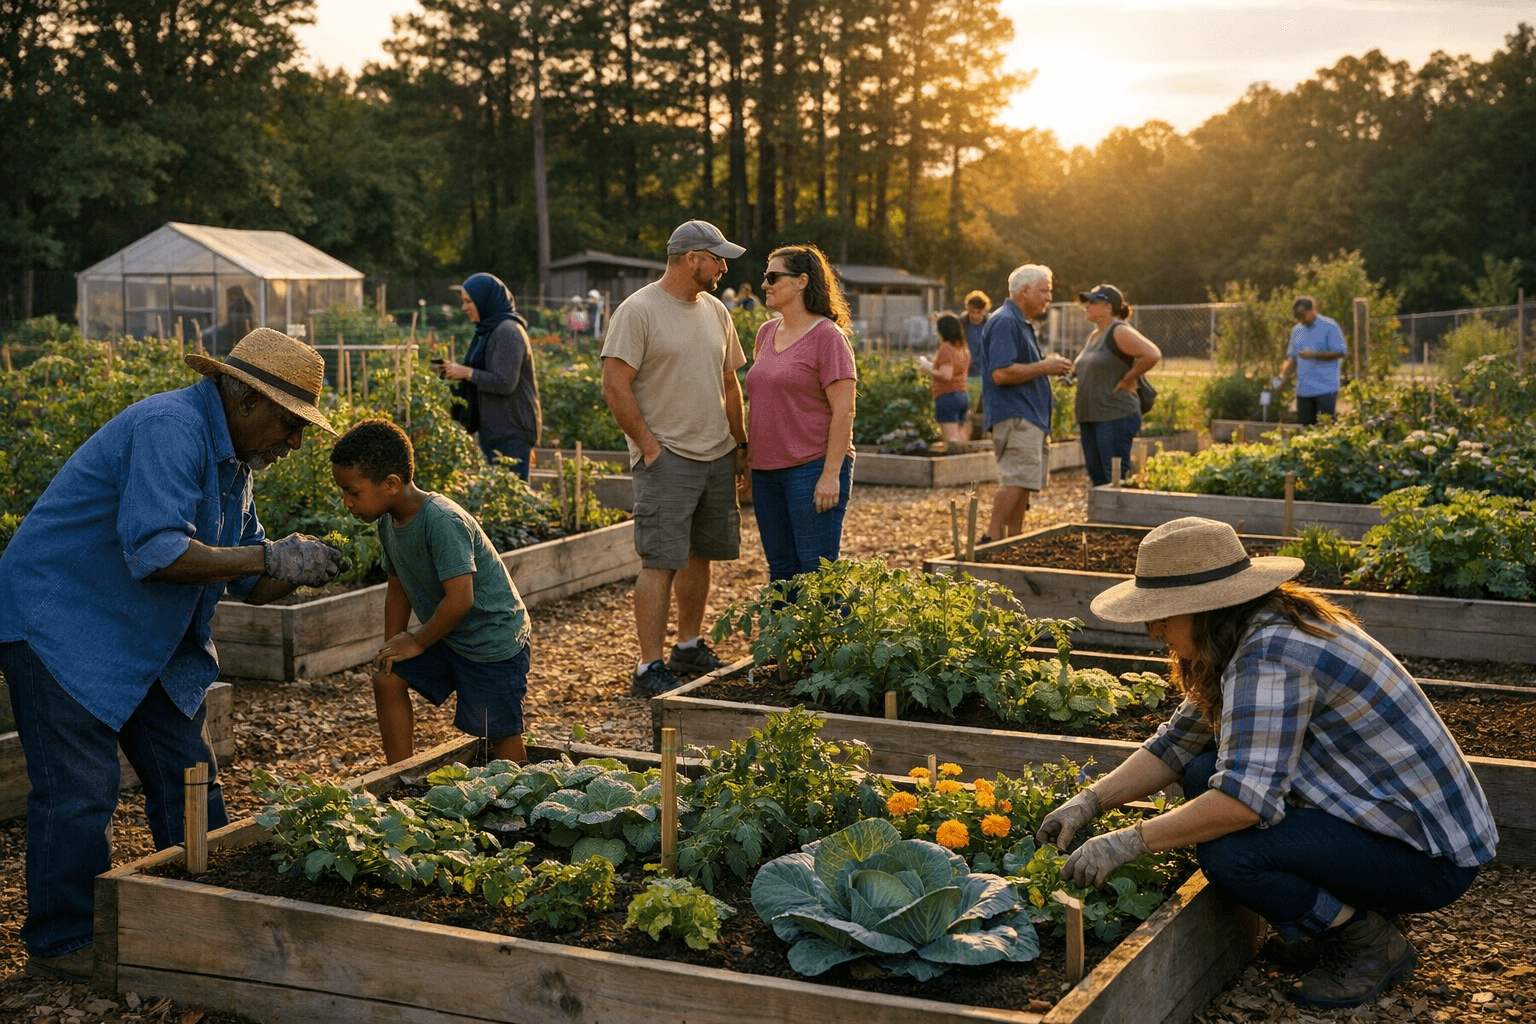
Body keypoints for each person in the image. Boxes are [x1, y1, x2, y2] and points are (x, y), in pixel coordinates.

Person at [1036, 517, 1497, 1010]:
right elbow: (1176, 746)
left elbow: (1242, 804)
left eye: (1163, 616)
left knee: (1230, 856)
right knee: (1200, 771)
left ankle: (1368, 943)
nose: (1154, 631)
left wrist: (1130, 841)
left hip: (1428, 858)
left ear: (1205, 607)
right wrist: (1089, 802)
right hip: (1393, 821)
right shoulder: (1251, 629)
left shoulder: (1268, 655)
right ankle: (1347, 911)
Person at [0, 327, 345, 981]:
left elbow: (248, 579)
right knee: (79, 791)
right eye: (289, 422)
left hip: (136, 637)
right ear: (244, 399)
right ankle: (64, 941)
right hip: (62, 620)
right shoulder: (171, 427)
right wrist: (268, 555)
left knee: (187, 771)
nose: (294, 441)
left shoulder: (233, 465)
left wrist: (300, 564)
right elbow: (159, 553)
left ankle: (204, 903)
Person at [600, 219, 748, 696]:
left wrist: (739, 444)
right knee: (660, 560)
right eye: (717, 258)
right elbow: (614, 383)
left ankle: (687, 645)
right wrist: (648, 446)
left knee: (700, 556)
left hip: (717, 455)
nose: (723, 267)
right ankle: (649, 666)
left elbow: (730, 382)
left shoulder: (717, 311)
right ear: (692, 259)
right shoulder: (639, 310)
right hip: (668, 457)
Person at [331, 419, 532, 766]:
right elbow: (398, 590)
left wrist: (418, 641)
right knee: (387, 678)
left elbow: (461, 599)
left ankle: (522, 800)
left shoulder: (441, 521)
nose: (347, 502)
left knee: (499, 733)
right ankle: (399, 777)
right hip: (449, 633)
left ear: (391, 484)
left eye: (353, 491)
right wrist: (393, 645)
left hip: (492, 640)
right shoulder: (388, 521)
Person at [745, 244, 858, 582]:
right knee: (781, 572)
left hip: (810, 468)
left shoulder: (827, 337)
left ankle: (832, 636)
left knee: (817, 572)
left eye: (772, 277)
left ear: (801, 281)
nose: (765, 284)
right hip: (765, 471)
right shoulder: (766, 333)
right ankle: (785, 637)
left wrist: (830, 474)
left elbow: (844, 411)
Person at [980, 264, 1073, 542]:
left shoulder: (1018, 322)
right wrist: (1045, 366)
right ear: (1024, 291)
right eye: (1044, 290)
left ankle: (1013, 541)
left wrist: (1045, 366)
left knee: (1024, 482)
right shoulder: (1006, 321)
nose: (1049, 297)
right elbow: (1001, 373)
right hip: (1017, 415)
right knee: (1016, 479)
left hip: (1028, 416)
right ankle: (991, 539)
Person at [436, 273, 542, 481]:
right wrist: (456, 372)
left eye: (468, 301)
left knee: (512, 499)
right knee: (500, 498)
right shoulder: (489, 330)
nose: (464, 308)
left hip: (512, 431)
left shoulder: (508, 331)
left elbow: (505, 383)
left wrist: (467, 373)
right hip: (497, 429)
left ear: (485, 300)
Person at [1073, 284, 1161, 487]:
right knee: (1097, 479)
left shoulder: (1119, 331)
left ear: (1109, 307)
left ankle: (1115, 517)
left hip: (1114, 416)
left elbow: (1152, 354)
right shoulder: (1093, 336)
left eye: (1093, 302)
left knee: (1112, 478)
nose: (1087, 306)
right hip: (1091, 416)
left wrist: (1128, 379)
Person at [1275, 296, 1347, 425]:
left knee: (1325, 428)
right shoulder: (1297, 331)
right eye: (1298, 316)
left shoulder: (1329, 326)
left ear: (1312, 310)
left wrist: (1315, 355)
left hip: (1326, 389)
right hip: (1304, 390)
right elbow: (1292, 358)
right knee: (1304, 430)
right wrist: (1282, 377)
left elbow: (1340, 352)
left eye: (1303, 315)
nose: (1300, 319)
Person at [917, 313, 970, 451]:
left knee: (952, 443)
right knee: (962, 439)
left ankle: (954, 470)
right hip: (962, 394)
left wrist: (928, 370)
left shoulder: (946, 349)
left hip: (947, 396)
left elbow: (946, 375)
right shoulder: (962, 348)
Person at [962, 290, 990, 377]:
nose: (975, 316)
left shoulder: (989, 324)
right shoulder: (963, 323)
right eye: (973, 312)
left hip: (984, 369)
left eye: (979, 312)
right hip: (966, 368)